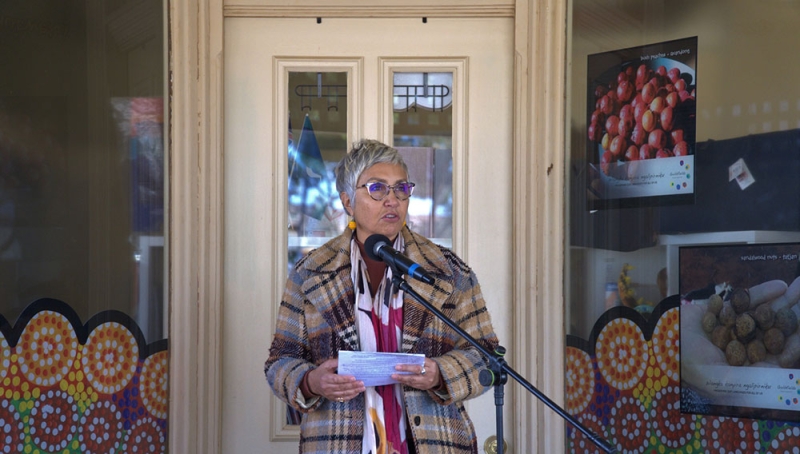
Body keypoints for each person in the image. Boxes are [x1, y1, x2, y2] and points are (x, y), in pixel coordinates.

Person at [265, 139, 499, 454]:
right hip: (336, 443)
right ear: (348, 201)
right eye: (377, 188)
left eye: (401, 189)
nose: (392, 200)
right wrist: (311, 382)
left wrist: (440, 374)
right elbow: (279, 361)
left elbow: (487, 358)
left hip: (435, 442)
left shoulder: (446, 270)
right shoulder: (311, 273)